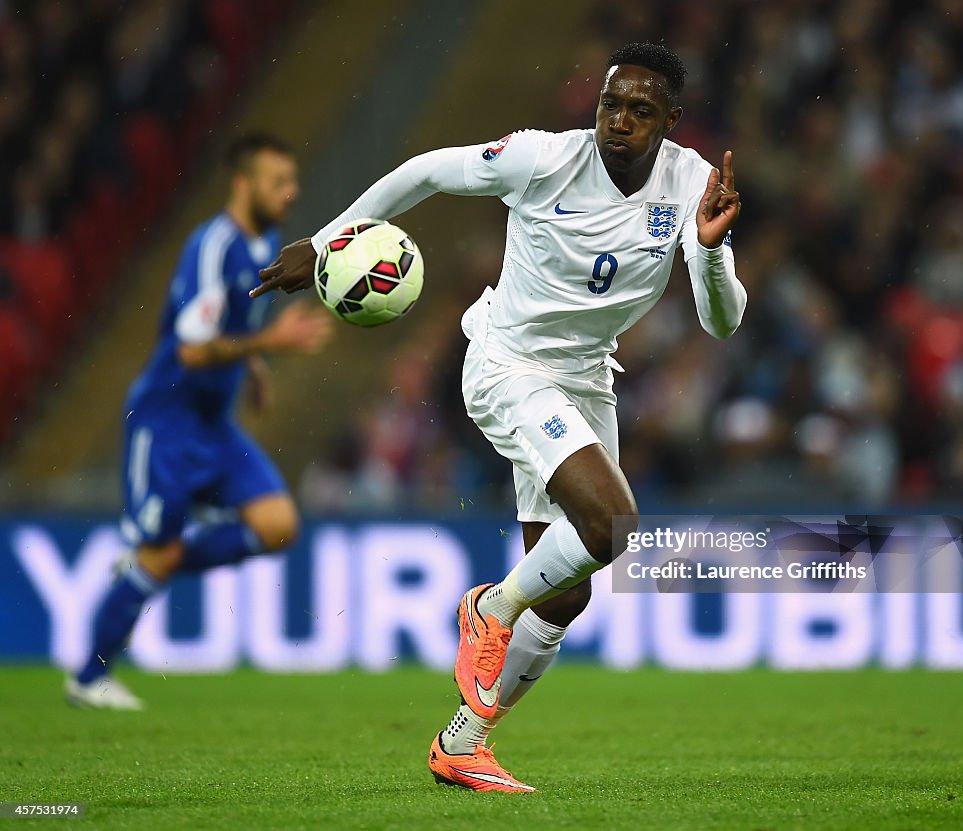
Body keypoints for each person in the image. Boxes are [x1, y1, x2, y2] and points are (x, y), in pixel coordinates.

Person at [253, 42, 744, 791]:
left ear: (672, 120)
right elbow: (423, 173)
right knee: (612, 523)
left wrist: (708, 252)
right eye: (611, 103)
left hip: (585, 380)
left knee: (571, 587)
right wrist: (326, 239)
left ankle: (464, 740)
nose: (619, 121)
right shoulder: (540, 159)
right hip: (507, 365)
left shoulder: (693, 184)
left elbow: (721, 322)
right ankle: (491, 605)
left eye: (640, 111)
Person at [65, 133, 332, 709]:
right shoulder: (212, 247)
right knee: (158, 557)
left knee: (278, 524)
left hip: (214, 425)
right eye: (277, 182)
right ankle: (88, 678)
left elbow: (228, 324)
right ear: (243, 183)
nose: (291, 192)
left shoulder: (259, 241)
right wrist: (273, 341)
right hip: (166, 424)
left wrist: (255, 363)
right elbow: (189, 349)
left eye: (292, 181)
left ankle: (151, 561)